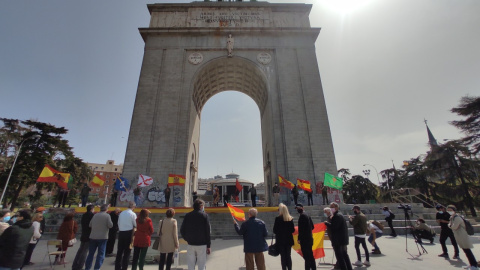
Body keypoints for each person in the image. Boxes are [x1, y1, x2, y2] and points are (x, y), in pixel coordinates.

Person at [180, 199, 211, 270]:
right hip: (202, 244)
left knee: (191, 265)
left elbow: (182, 230)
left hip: (191, 244)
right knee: (202, 265)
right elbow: (207, 231)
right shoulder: (204, 216)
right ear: (201, 206)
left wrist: (187, 239)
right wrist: (208, 245)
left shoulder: (188, 215)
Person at [447, 205, 478, 269]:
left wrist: (449, 225)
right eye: (448, 210)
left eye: (451, 210)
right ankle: (471, 263)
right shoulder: (452, 217)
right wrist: (450, 225)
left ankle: (474, 265)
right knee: (466, 250)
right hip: (459, 235)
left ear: (454, 210)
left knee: (467, 250)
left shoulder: (457, 218)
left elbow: (454, 227)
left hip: (462, 235)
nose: (449, 211)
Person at [84, 204, 113, 270]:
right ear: (106, 209)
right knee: (100, 254)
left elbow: (90, 225)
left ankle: (87, 268)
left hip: (93, 236)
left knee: (91, 254)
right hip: (102, 237)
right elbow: (110, 225)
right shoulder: (107, 216)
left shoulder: (95, 215)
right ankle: (97, 268)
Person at [325, 202, 352, 270]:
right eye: (330, 207)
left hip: (338, 240)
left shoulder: (337, 216)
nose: (331, 208)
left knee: (340, 258)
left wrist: (327, 223)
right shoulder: (338, 215)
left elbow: (334, 227)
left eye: (332, 207)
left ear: (337, 208)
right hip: (341, 239)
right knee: (344, 256)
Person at [72, 205, 95, 270]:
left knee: (80, 250)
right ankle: (80, 266)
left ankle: (75, 265)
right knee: (85, 251)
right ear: (91, 209)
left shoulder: (84, 215)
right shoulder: (92, 216)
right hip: (89, 234)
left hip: (84, 234)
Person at [115, 201, 137, 270]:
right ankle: (124, 267)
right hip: (129, 232)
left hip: (121, 232)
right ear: (133, 207)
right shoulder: (133, 214)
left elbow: (118, 222)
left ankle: (117, 267)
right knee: (127, 252)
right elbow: (135, 224)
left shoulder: (122, 213)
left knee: (119, 251)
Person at [273, 203, 295, 270]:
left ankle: (284, 268)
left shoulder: (278, 219)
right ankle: (290, 268)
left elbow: (275, 230)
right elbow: (292, 230)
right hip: (289, 240)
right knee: (288, 255)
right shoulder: (290, 219)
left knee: (283, 256)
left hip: (280, 241)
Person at [295, 203, 317, 270]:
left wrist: (299, 238)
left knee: (307, 256)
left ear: (302, 208)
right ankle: (313, 268)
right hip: (309, 238)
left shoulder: (302, 216)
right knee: (310, 255)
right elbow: (312, 227)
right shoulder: (307, 215)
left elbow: (301, 230)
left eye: (298, 208)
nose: (298, 210)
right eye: (297, 209)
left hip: (305, 240)